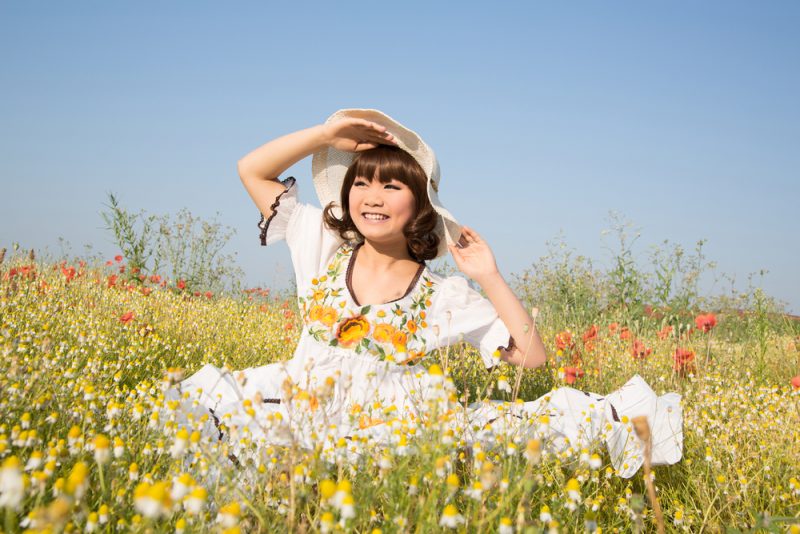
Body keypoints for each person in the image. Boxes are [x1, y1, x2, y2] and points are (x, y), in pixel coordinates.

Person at [169, 109, 683, 478]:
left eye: (392, 187)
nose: (372, 196)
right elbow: (251, 169)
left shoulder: (442, 297)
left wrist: (490, 276)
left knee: (524, 431)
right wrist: (328, 133)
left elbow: (532, 356)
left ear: (420, 206)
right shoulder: (319, 243)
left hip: (393, 430)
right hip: (302, 404)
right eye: (362, 183)